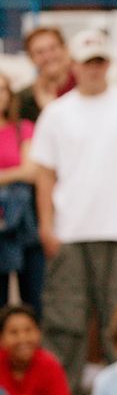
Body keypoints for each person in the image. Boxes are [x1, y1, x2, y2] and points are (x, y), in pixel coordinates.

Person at [31, 29, 117, 395]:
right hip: (69, 231)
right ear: (73, 65)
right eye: (87, 62)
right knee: (65, 322)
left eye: (100, 62)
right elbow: (45, 175)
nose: (94, 69)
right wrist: (46, 225)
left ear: (109, 65)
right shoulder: (57, 113)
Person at [0, 74, 42, 312]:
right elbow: (23, 171)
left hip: (24, 223)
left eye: (2, 89)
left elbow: (31, 171)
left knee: (33, 296)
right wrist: (15, 173)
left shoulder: (23, 129)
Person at [16, 27, 74, 123]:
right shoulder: (22, 100)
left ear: (66, 49)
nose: (48, 56)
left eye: (53, 48)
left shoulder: (86, 87)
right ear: (31, 58)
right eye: (40, 52)